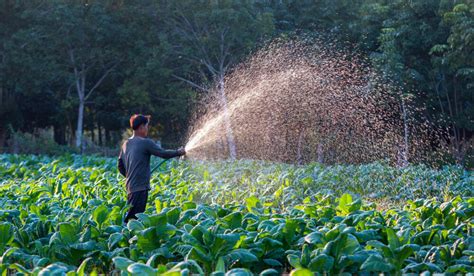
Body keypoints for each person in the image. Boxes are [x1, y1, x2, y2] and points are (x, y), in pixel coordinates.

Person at [118, 114, 186, 223]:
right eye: (146, 126)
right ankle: (128, 238)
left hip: (131, 187)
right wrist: (178, 152)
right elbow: (163, 153)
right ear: (141, 127)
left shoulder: (126, 144)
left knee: (132, 217)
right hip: (140, 188)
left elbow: (120, 165)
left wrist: (130, 176)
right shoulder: (145, 142)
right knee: (134, 220)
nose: (147, 129)